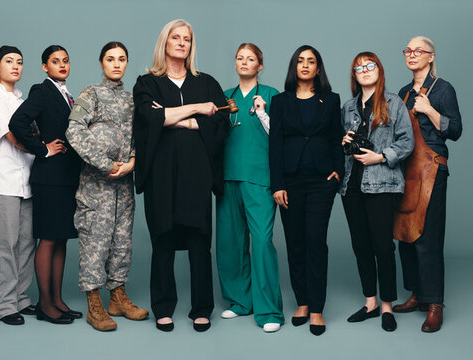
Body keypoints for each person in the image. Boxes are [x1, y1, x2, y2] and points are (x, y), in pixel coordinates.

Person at [132, 19, 229, 332]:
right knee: (163, 239)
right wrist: (199, 109)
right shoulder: (147, 83)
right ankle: (163, 307)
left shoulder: (206, 82)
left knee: (200, 241)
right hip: (161, 175)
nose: (182, 43)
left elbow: (220, 125)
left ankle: (202, 308)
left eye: (187, 38)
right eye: (176, 37)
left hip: (197, 174)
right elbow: (147, 119)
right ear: (165, 42)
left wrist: (171, 118)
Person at [65, 41, 149, 332]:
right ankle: (94, 304)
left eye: (122, 59)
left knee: (122, 242)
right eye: (110, 59)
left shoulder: (131, 100)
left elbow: (139, 138)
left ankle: (118, 298)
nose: (116, 64)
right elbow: (73, 130)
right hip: (96, 184)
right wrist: (104, 162)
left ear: (126, 63)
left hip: (123, 185)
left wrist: (133, 161)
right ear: (102, 63)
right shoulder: (92, 94)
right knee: (95, 243)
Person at [269, 45, 343, 336]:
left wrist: (338, 171)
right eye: (300, 61)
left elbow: (337, 136)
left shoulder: (331, 100)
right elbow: (274, 146)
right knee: (295, 242)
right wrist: (278, 184)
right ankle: (301, 302)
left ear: (318, 69)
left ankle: (316, 308)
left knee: (315, 241)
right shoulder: (280, 101)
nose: (305, 65)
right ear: (294, 67)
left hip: (321, 181)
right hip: (290, 182)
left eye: (311, 61)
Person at [339, 51, 414, 332]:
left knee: (382, 246)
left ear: (379, 70)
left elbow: (407, 143)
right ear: (354, 76)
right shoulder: (348, 107)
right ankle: (370, 302)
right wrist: (343, 139)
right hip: (351, 185)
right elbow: (341, 144)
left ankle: (386, 306)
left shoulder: (394, 104)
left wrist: (380, 156)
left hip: (382, 183)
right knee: (361, 246)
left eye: (370, 66)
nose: (365, 70)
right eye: (359, 68)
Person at [9, 45, 82, 325]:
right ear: (45, 67)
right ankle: (44, 304)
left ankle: (57, 299)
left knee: (62, 237)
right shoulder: (42, 90)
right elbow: (18, 122)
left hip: (66, 177)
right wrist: (42, 149)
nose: (62, 65)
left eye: (65, 60)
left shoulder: (67, 94)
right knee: (49, 238)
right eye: (55, 61)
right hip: (49, 177)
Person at [393, 36, 462, 333]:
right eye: (408, 50)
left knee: (428, 237)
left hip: (432, 169)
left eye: (418, 50)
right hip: (405, 171)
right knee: (405, 235)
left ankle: (434, 304)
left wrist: (430, 110)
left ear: (431, 56)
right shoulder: (403, 93)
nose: (412, 54)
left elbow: (456, 130)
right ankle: (417, 294)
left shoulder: (443, 89)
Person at [215, 43, 283, 333]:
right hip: (228, 176)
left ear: (260, 65)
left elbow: (281, 138)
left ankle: (269, 310)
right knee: (230, 242)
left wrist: (263, 112)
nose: (244, 62)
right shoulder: (225, 97)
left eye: (250, 59)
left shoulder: (271, 96)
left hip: (259, 178)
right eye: (240, 58)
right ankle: (239, 302)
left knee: (262, 242)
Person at [0, 45, 38, 326]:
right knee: (4, 244)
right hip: (2, 182)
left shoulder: (22, 99)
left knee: (27, 243)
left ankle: (20, 298)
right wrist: (45, 148)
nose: (15, 66)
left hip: (27, 180)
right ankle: (4, 305)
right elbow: (15, 136)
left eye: (19, 62)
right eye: (9, 61)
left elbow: (31, 132)